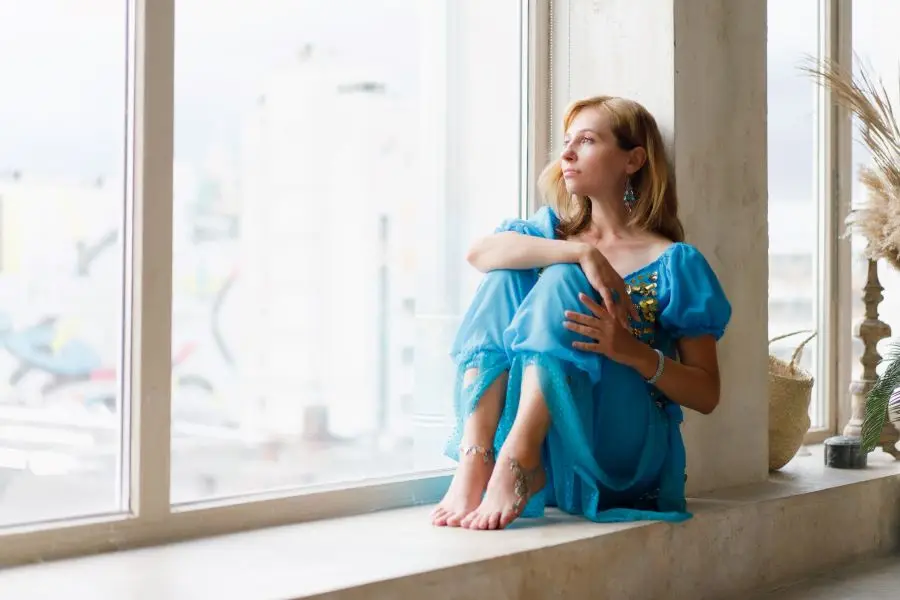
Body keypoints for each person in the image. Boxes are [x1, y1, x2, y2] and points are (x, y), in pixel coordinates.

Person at [430, 95, 732, 530]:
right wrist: (581, 252)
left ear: (633, 160)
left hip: (619, 449)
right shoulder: (551, 233)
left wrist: (630, 351)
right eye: (566, 141)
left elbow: (707, 395)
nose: (567, 154)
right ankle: (477, 457)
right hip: (555, 458)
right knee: (505, 275)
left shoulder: (673, 261)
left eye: (587, 141)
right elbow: (480, 253)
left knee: (559, 278)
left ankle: (518, 458)